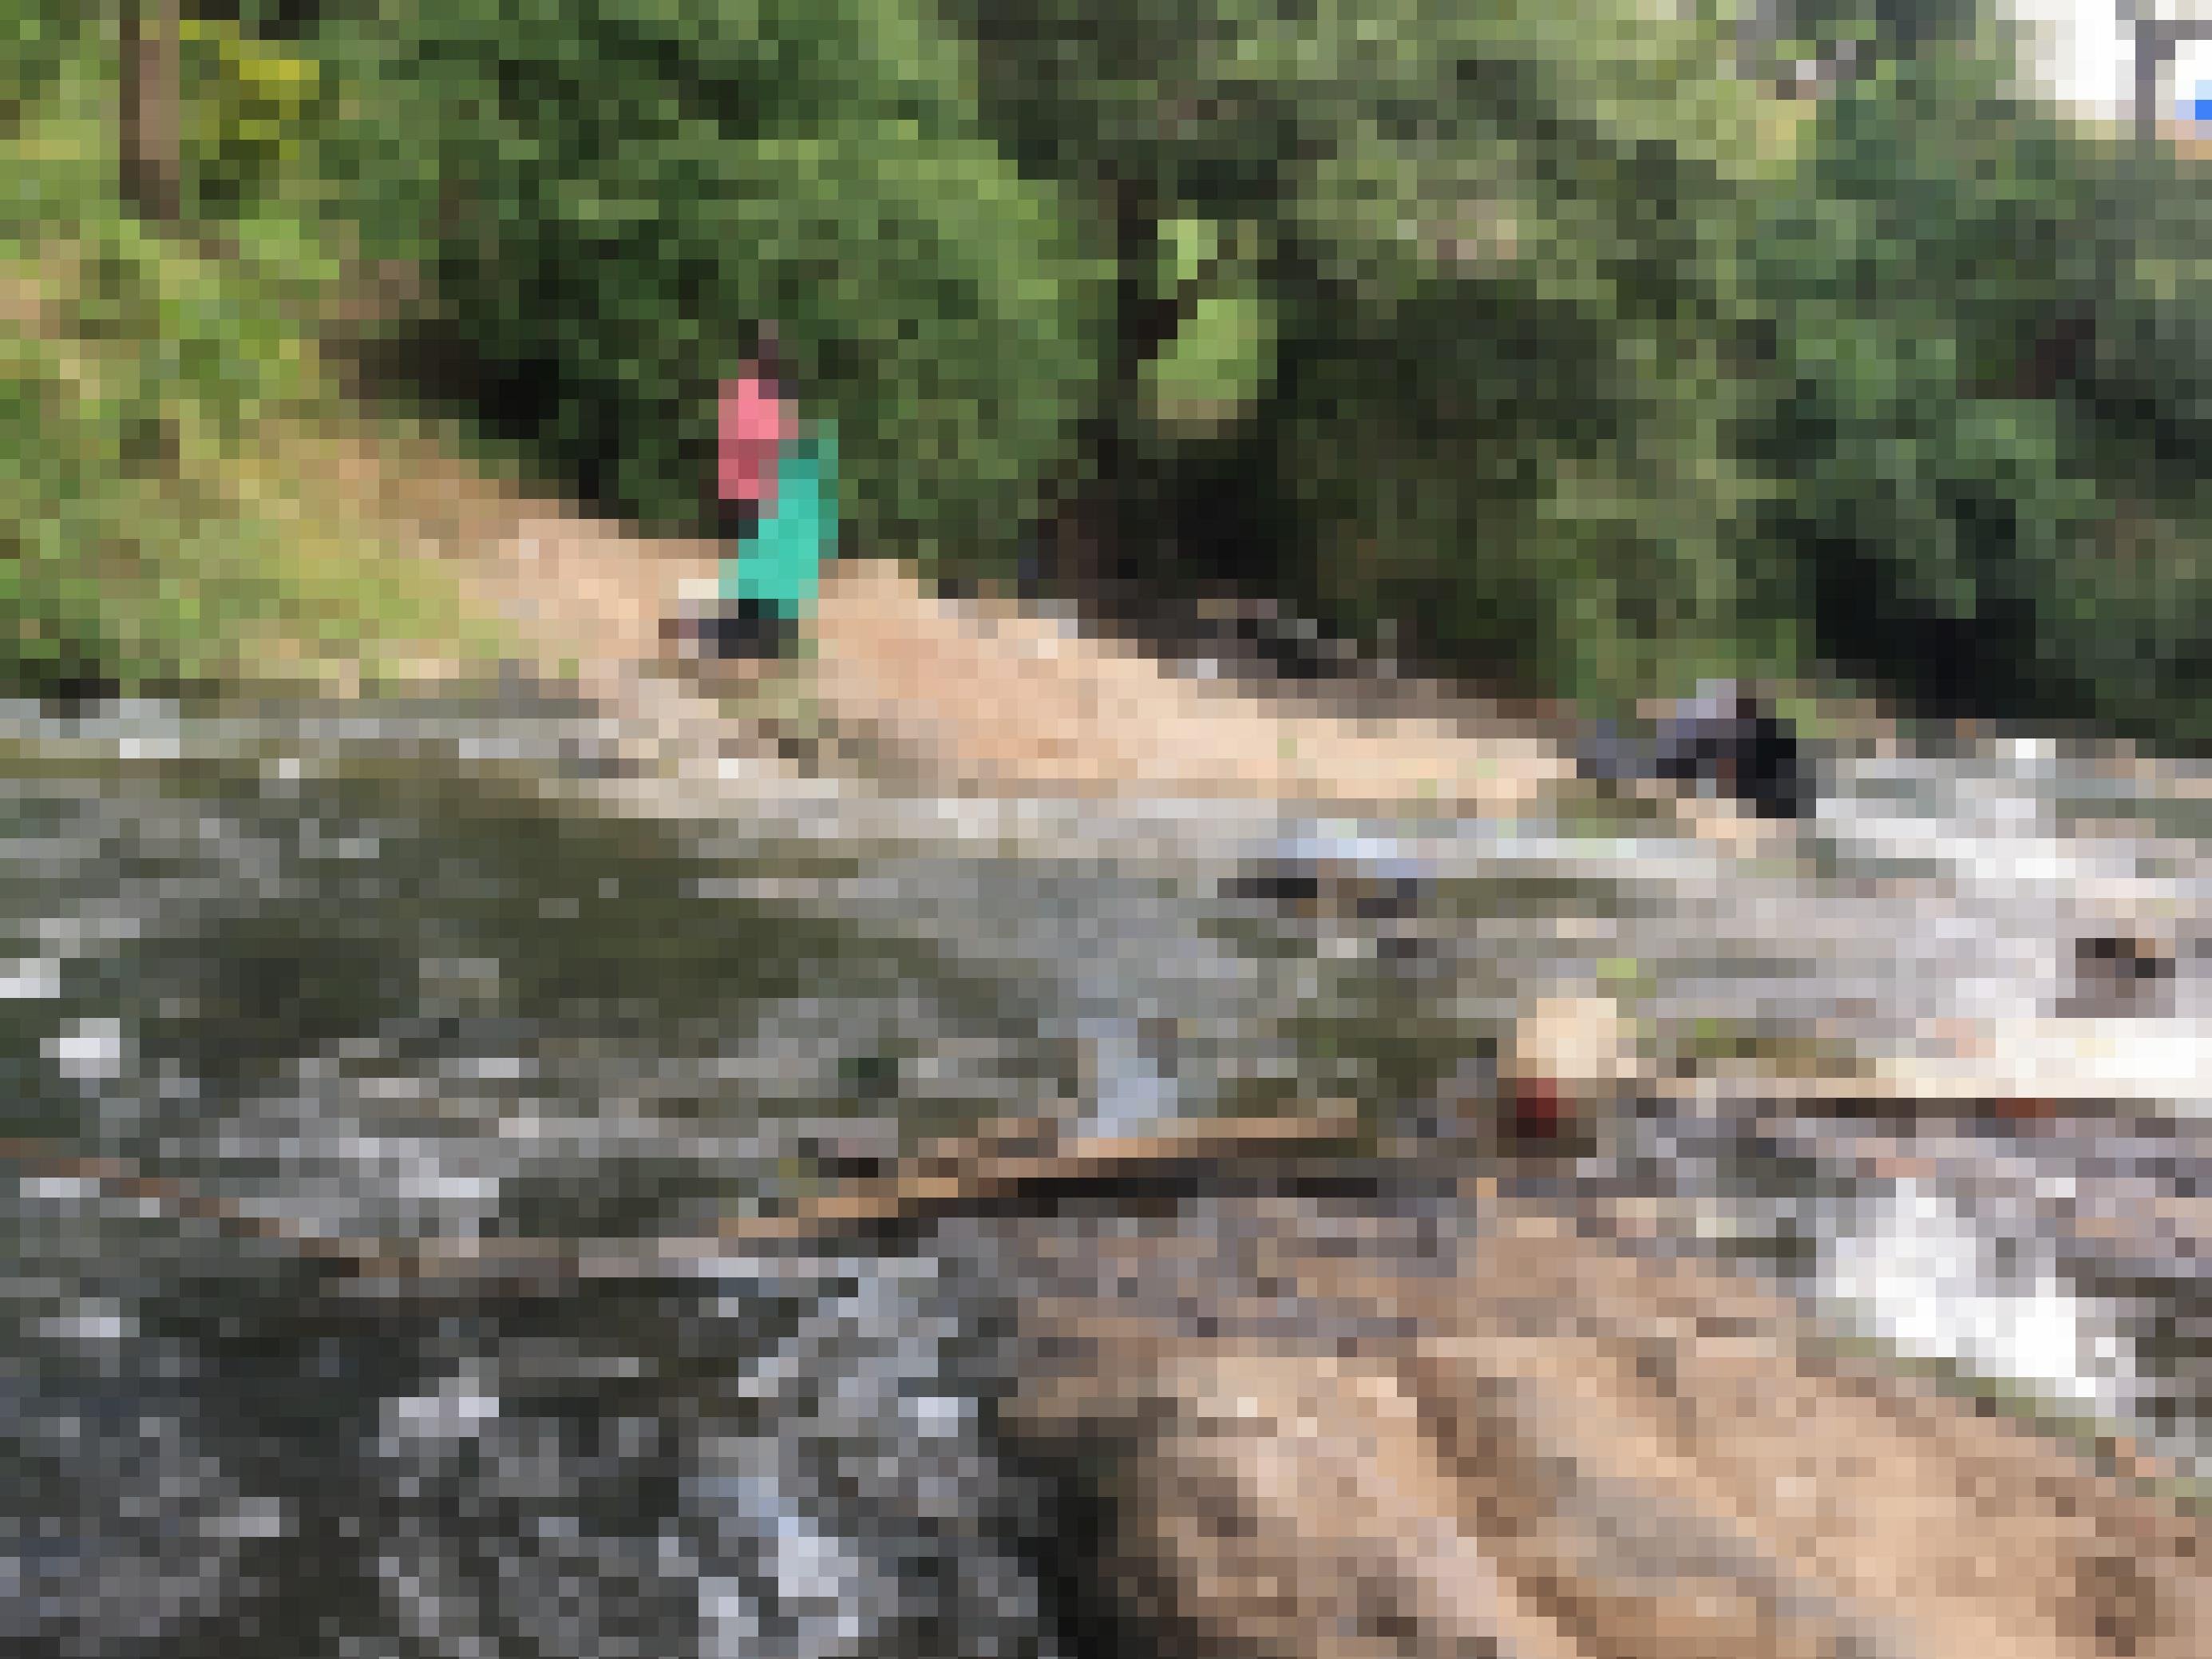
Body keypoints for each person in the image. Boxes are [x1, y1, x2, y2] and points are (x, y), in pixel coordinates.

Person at [687, 327, 840, 663]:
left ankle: (757, 631)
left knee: (759, 564)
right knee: (756, 565)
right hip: (757, 493)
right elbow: (749, 446)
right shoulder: (761, 397)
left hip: (761, 494)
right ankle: (754, 632)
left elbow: (751, 446)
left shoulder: (760, 397)